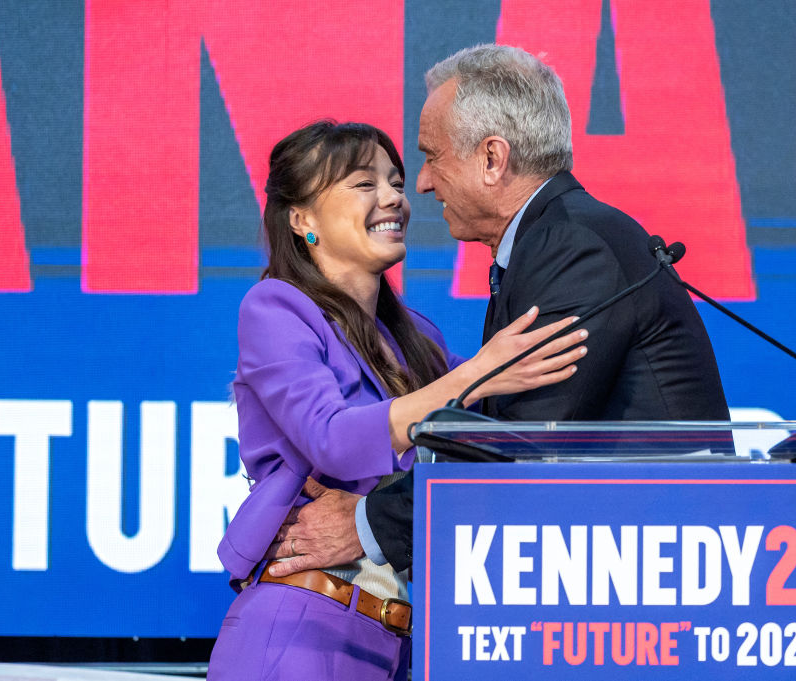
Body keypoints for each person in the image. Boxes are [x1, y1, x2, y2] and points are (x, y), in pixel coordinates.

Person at [264, 44, 730, 580]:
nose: (422, 183)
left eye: (432, 157)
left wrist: (365, 524)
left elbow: (521, 441)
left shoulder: (569, 246)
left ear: (491, 159)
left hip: (652, 563)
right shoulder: (552, 238)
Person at [206, 120, 587, 680]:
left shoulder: (418, 337)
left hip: (405, 645)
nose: (393, 199)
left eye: (396, 182)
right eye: (365, 184)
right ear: (302, 219)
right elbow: (331, 439)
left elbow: (484, 440)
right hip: (302, 627)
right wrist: (480, 373)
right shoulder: (275, 309)